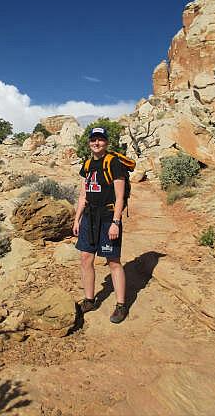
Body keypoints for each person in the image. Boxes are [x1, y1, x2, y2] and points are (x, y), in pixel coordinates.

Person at [73, 127, 128, 324]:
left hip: (107, 217)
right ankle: (89, 300)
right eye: (93, 139)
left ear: (106, 142)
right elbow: (83, 194)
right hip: (89, 217)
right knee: (86, 258)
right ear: (89, 142)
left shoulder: (113, 163)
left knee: (113, 260)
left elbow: (120, 196)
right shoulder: (86, 165)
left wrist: (116, 222)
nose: (97, 143)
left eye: (101, 139)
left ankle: (121, 305)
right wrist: (77, 218)